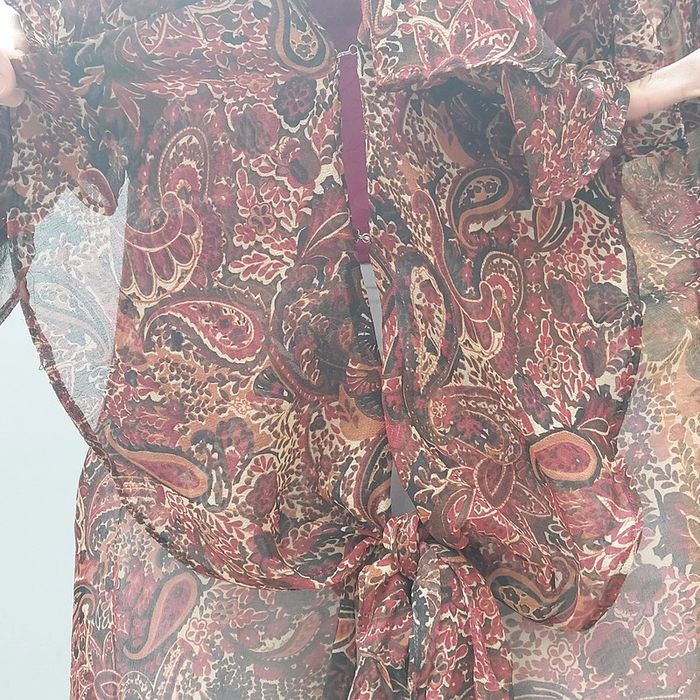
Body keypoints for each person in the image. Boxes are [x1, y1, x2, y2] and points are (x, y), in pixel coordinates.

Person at [0, 1, 698, 698]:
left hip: (503, 373)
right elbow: (56, 94)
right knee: (209, 650)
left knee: (580, 636)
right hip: (224, 422)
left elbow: (591, 77)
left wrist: (656, 89)